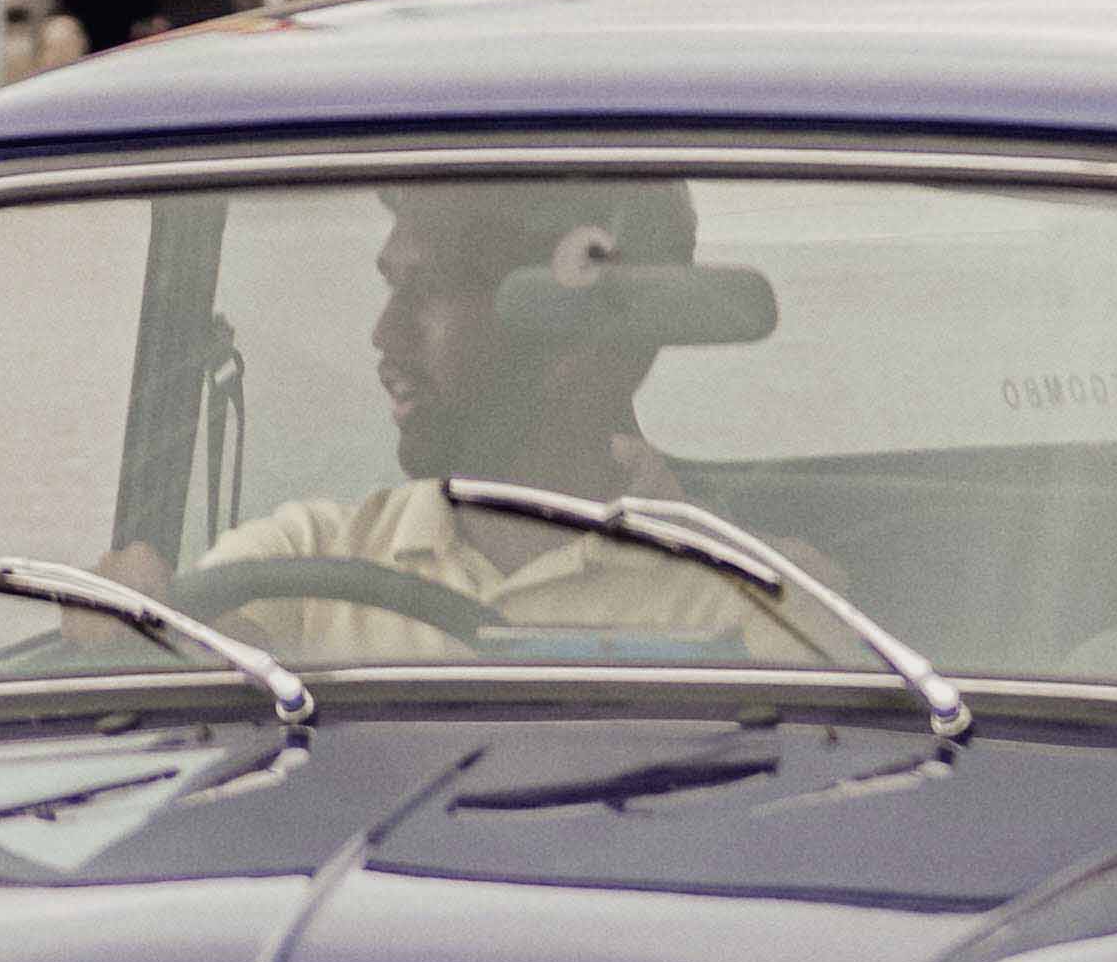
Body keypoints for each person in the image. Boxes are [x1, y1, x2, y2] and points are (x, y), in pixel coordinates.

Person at [162, 178, 812, 663]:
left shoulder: (749, 610)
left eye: (431, 288)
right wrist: (128, 617)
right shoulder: (306, 557)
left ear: (581, 335)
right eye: (394, 288)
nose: (385, 332)